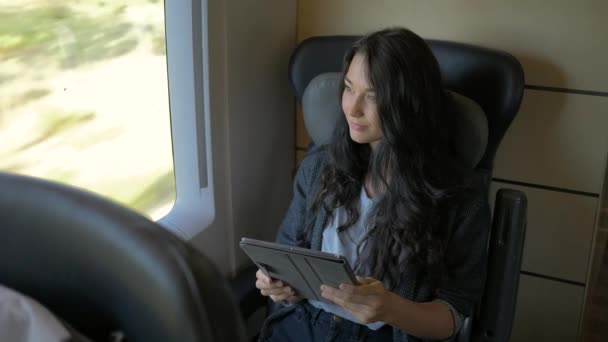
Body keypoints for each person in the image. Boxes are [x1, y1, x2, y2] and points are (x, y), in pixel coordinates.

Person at [255, 27, 490, 342]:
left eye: (373, 95)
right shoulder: (317, 170)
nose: (352, 108)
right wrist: (278, 285)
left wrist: (390, 309)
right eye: (349, 88)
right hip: (303, 324)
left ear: (409, 102)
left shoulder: (460, 199)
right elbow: (288, 255)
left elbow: (455, 313)